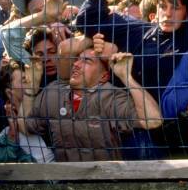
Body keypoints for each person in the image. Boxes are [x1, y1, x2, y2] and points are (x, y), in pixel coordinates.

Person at [18, 34, 162, 161]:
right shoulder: (54, 92)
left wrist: (126, 77)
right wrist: (31, 89)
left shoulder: (110, 97)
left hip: (107, 183)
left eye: (86, 61)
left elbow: (153, 121)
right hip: (66, 184)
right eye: (77, 60)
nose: (76, 65)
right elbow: (25, 127)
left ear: (104, 76)